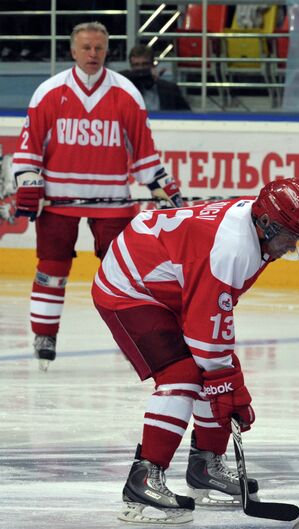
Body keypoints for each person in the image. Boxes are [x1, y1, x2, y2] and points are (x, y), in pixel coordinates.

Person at [91, 178, 299, 524]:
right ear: (267, 224)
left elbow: (211, 334)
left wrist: (228, 381)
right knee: (183, 375)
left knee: (219, 373)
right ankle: (143, 478)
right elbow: (207, 345)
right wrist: (231, 387)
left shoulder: (256, 233)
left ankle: (205, 465)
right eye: (290, 237)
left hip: (170, 283)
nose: (291, 248)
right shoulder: (230, 249)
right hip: (129, 287)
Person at [12, 21, 183, 371]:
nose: (93, 54)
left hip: (112, 200)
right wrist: (29, 181)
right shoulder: (50, 91)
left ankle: (135, 337)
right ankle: (45, 334)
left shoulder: (125, 94)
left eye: (99, 48)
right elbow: (29, 149)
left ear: (107, 51)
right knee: (52, 269)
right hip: (60, 199)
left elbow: (145, 154)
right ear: (73, 51)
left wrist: (163, 189)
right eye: (86, 48)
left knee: (125, 274)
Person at [122, 44, 191, 111]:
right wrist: (148, 73)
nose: (141, 68)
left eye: (145, 64)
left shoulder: (170, 89)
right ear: (131, 67)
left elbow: (187, 114)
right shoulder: (125, 89)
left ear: (152, 65)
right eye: (136, 65)